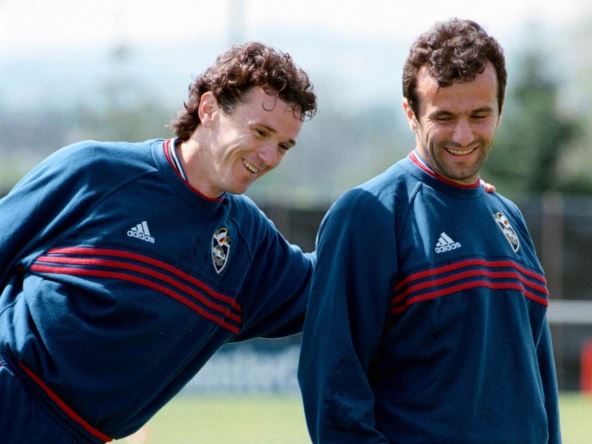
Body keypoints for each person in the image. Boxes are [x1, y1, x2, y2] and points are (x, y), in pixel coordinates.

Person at [0, 42, 316, 443]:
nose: (270, 156)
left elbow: (333, 285)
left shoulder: (250, 241)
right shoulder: (94, 173)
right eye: (260, 132)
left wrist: (384, 216)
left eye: (284, 146)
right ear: (209, 109)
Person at [298, 18, 561, 443]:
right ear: (411, 114)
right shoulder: (368, 215)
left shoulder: (509, 218)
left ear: (500, 111)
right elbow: (334, 391)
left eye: (479, 115)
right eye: (444, 116)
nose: (463, 134)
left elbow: (539, 386)